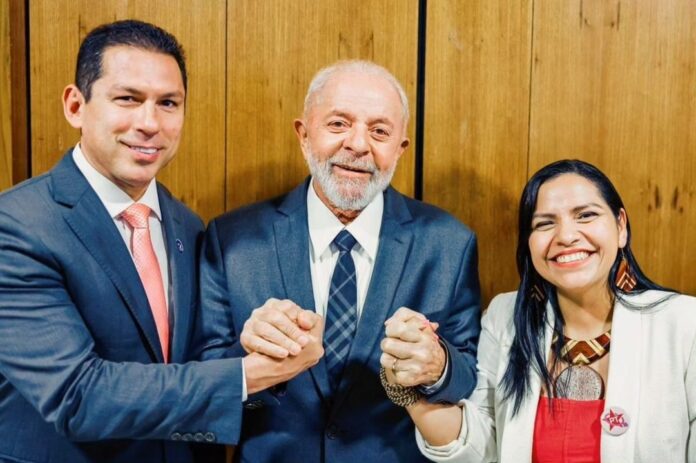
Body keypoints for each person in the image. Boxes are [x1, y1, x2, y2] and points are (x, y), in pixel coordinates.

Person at [0, 20, 322, 463]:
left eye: (168, 103)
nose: (150, 123)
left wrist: (264, 343)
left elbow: (188, 365)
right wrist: (246, 374)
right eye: (128, 99)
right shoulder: (16, 225)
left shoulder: (187, 226)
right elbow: (77, 396)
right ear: (76, 105)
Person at [194, 60, 481, 462]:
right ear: (304, 134)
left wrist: (438, 366)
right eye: (338, 124)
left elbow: (468, 373)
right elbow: (204, 379)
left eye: (379, 131)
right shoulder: (233, 240)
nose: (359, 145)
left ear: (399, 149)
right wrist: (255, 363)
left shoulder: (449, 242)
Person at [381, 159, 696, 463]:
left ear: (621, 226)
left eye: (585, 216)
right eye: (545, 223)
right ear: (528, 244)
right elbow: (479, 450)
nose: (566, 236)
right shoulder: (506, 317)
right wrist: (409, 379)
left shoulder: (684, 324)